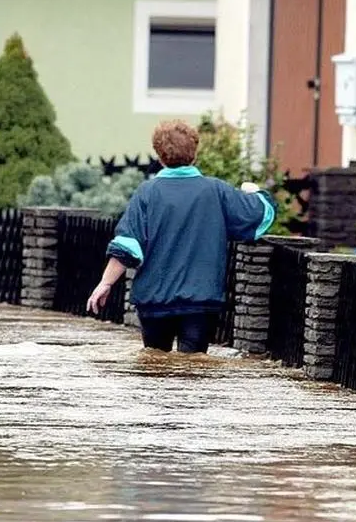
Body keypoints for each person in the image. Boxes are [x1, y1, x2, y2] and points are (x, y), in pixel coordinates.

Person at [87, 120, 277, 354]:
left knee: (156, 367)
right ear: (194, 154)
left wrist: (105, 283)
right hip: (200, 302)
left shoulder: (147, 193)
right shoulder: (216, 191)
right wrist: (254, 191)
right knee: (193, 370)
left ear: (159, 156)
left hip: (154, 303)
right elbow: (259, 215)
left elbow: (127, 246)